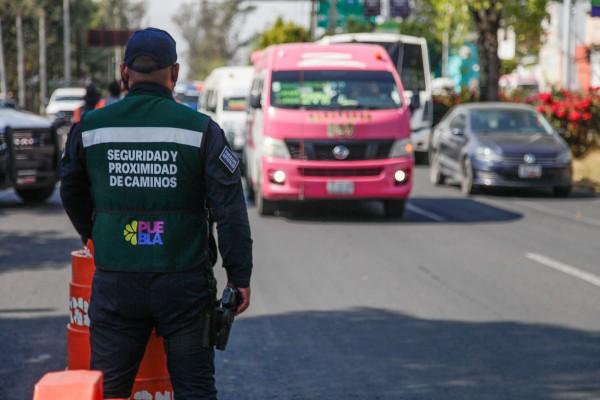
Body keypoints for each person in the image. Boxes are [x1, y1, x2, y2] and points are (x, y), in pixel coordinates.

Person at [59, 28, 253, 400]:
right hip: (184, 286)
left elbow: (70, 188)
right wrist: (238, 276)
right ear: (175, 73)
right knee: (194, 389)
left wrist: (95, 234)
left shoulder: (90, 128)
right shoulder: (202, 131)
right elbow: (230, 209)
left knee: (109, 390)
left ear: (124, 73)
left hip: (116, 283)